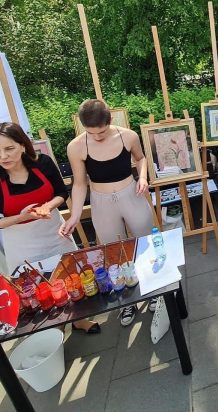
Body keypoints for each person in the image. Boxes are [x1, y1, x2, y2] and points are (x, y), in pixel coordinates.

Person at [59, 99, 154, 327]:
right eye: (91, 133)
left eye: (101, 132)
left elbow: (140, 158)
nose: (97, 137)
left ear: (109, 121)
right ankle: (127, 300)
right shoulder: (76, 146)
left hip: (131, 193)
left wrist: (142, 177)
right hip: (101, 201)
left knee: (145, 243)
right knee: (114, 252)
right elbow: (79, 183)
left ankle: (153, 291)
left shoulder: (127, 136)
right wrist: (74, 215)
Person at [0, 123, 99, 333]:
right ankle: (54, 327)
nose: (3, 156)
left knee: (69, 275)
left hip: (53, 231)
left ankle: (78, 319)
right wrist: (23, 216)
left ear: (22, 145)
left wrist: (47, 206)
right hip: (20, 242)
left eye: (9, 149)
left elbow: (61, 193)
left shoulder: (42, 163)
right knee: (37, 287)